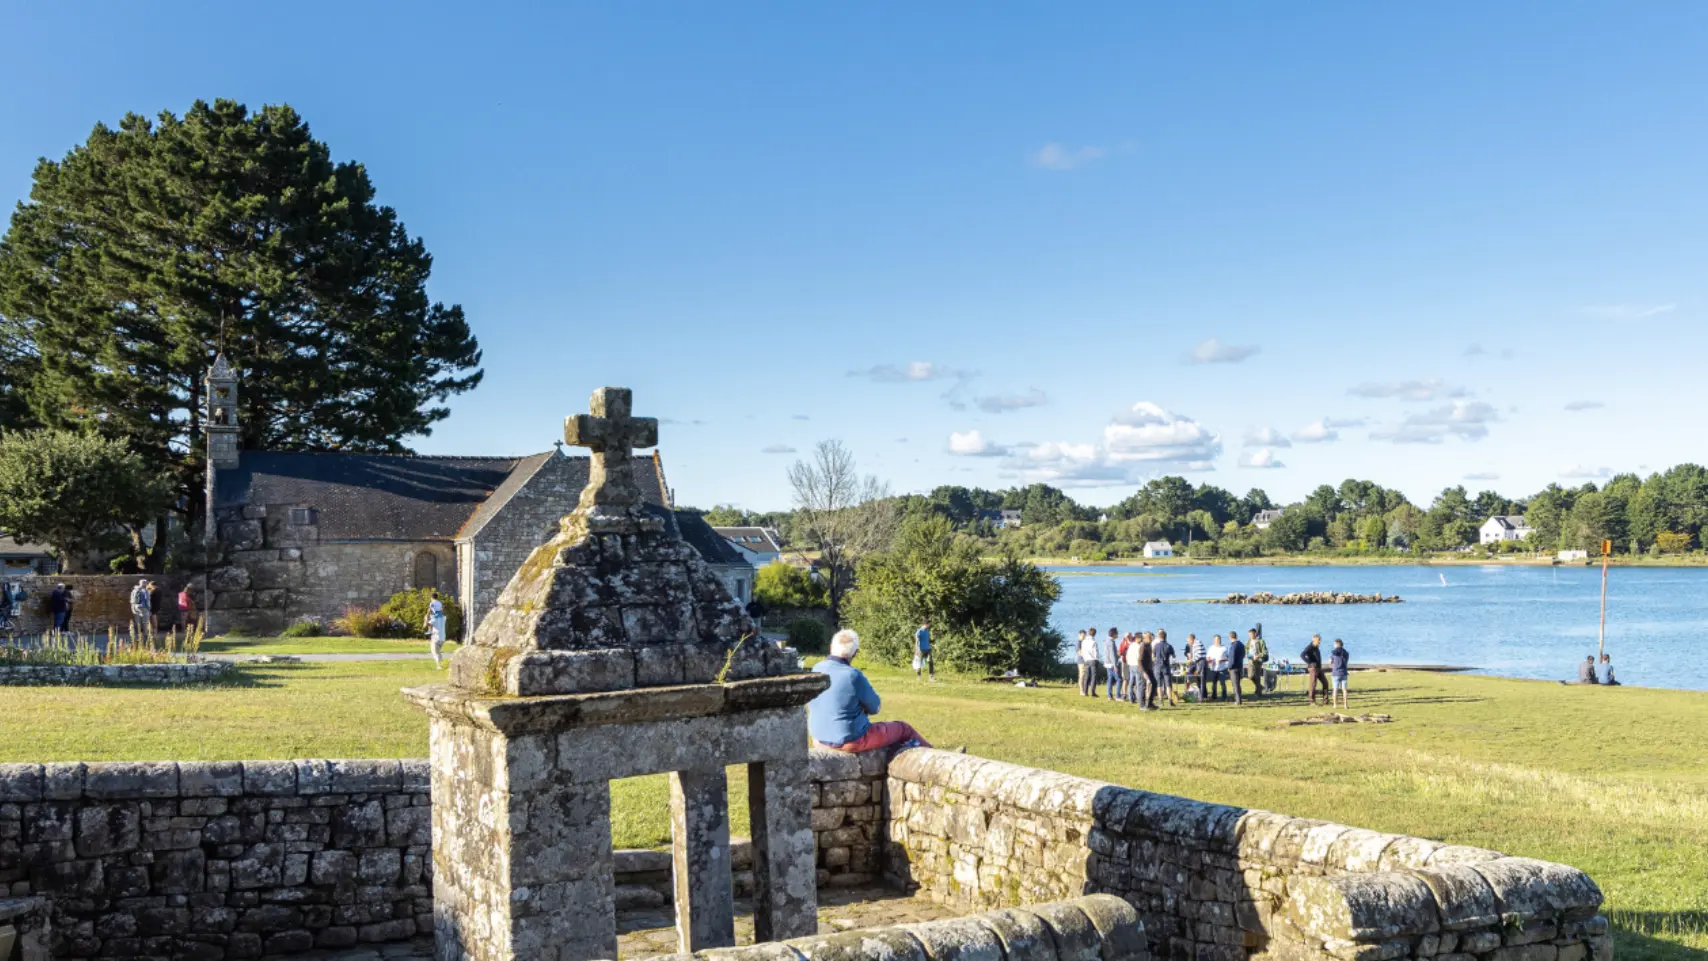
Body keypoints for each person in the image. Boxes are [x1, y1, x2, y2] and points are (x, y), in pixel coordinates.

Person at [808, 629, 930, 753]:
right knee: (904, 729)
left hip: (818, 738)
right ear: (855, 653)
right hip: (850, 740)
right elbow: (875, 708)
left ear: (831, 647)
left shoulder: (816, 668)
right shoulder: (853, 675)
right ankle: (932, 755)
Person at [1151, 630, 1177, 708]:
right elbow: (1174, 656)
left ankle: (1161, 701)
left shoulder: (1156, 645)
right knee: (1168, 685)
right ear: (1166, 637)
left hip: (1157, 667)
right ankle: (1170, 701)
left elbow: (1154, 655)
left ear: (1159, 637)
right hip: (1166, 667)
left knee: (1159, 685)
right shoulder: (1169, 646)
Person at [1301, 635, 1329, 705]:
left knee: (1325, 683)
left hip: (1319, 668)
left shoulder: (1316, 647)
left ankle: (1325, 700)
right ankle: (1312, 701)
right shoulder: (1310, 647)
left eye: (1320, 640)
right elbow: (1302, 655)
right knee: (1313, 684)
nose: (1319, 642)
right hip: (1313, 668)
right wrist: (1309, 663)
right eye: (1318, 640)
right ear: (1314, 640)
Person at [423, 592, 448, 668]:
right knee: (437, 651)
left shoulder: (434, 618)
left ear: (432, 597)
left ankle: (439, 665)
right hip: (443, 638)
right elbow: (441, 609)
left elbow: (425, 624)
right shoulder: (443, 618)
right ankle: (441, 662)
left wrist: (426, 617)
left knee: (435, 652)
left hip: (436, 638)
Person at [1101, 627, 1122, 701]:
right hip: (1112, 664)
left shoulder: (1106, 641)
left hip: (1107, 663)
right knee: (1119, 679)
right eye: (1117, 633)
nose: (1118, 635)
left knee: (1110, 679)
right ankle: (1118, 696)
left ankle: (1109, 696)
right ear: (1114, 634)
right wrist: (1115, 665)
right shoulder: (1111, 642)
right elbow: (1112, 655)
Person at [1185, 633, 1207, 701]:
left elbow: (1199, 655)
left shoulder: (1197, 643)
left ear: (1191, 639)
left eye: (1188, 641)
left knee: (1201, 679)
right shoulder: (1194, 644)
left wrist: (1191, 661)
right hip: (1198, 662)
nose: (1188, 642)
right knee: (1198, 679)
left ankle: (1202, 697)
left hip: (1201, 663)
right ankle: (1199, 695)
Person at [1329, 638, 1350, 709]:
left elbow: (1330, 661)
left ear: (1337, 644)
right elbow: (1346, 661)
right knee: (1344, 689)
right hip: (1344, 672)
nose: (1334, 645)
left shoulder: (1334, 653)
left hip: (1336, 672)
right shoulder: (1346, 653)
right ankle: (1345, 705)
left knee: (1335, 689)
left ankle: (1335, 704)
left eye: (1334, 644)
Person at [1206, 635, 1228, 701]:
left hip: (1222, 668)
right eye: (1216, 639)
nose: (1217, 641)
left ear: (1220, 640)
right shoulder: (1211, 648)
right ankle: (1213, 696)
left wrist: (1222, 660)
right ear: (1214, 640)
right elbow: (1207, 657)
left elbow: (1228, 658)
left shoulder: (1224, 648)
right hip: (1213, 669)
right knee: (1214, 683)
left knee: (1222, 683)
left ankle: (1224, 696)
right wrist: (1209, 660)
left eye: (1219, 639)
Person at [1247, 628, 1268, 697]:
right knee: (1250, 676)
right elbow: (1246, 650)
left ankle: (1258, 693)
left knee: (1257, 676)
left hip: (1258, 661)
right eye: (1249, 634)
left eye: (1251, 634)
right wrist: (1248, 656)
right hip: (1250, 660)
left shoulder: (1261, 641)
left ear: (1255, 633)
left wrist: (1258, 656)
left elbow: (1265, 652)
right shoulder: (1248, 641)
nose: (1250, 635)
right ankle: (1260, 687)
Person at [1228, 630, 1247, 706]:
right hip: (1240, 666)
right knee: (1238, 684)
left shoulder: (1233, 645)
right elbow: (1243, 655)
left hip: (1234, 667)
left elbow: (1232, 657)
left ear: (1230, 637)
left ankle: (1238, 700)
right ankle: (1239, 699)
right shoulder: (1241, 644)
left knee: (1235, 684)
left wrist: (1229, 666)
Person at [1076, 630, 1095, 696]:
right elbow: (1079, 652)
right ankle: (1081, 691)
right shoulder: (1079, 642)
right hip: (1081, 661)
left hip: (1087, 661)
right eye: (1082, 635)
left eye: (1085, 635)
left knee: (1086, 676)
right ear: (1079, 635)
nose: (1084, 637)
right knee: (1082, 676)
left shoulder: (1085, 642)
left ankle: (1085, 690)